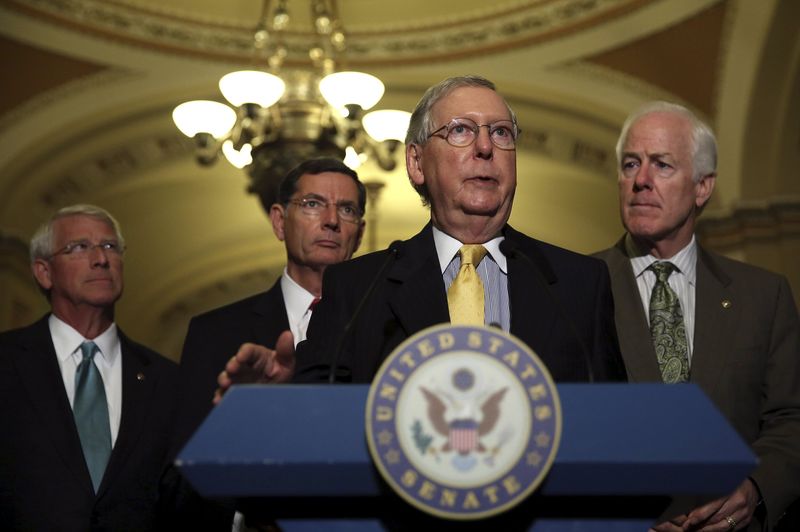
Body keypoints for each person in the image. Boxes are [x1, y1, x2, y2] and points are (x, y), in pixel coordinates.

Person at [217, 75, 626, 393]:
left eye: (501, 133)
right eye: (461, 131)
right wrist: (286, 398)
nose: (486, 147)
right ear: (416, 163)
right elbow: (320, 428)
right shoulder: (356, 291)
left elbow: (616, 435)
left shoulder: (579, 284)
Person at [594, 101, 800, 531]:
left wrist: (756, 489)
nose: (641, 181)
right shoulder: (577, 289)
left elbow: (790, 421)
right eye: (631, 164)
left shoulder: (763, 297)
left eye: (662, 165)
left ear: (703, 187)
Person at [171, 157, 366, 529]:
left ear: (359, 232)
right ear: (279, 221)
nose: (331, 220)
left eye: (347, 209)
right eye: (312, 204)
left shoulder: (388, 330)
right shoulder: (216, 333)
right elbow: (178, 483)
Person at [0, 204, 178, 531]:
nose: (101, 259)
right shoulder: (7, 362)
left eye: (110, 246)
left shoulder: (167, 381)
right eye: (79, 247)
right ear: (44, 271)